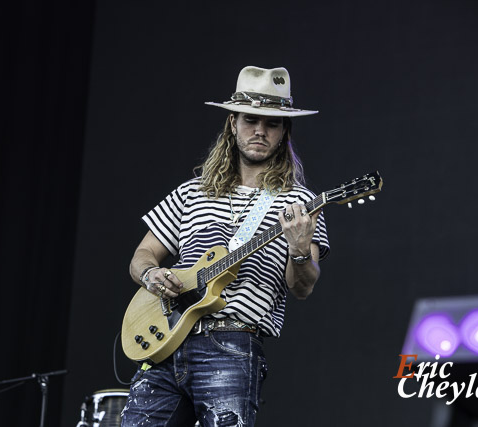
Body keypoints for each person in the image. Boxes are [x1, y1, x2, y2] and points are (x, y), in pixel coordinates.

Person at [121, 66, 329, 427]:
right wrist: (152, 275)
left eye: (272, 124)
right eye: (251, 120)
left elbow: (303, 287)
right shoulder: (192, 192)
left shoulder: (299, 202)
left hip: (232, 344)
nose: (260, 131)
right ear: (232, 123)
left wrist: (298, 250)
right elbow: (142, 256)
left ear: (284, 132)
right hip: (165, 342)